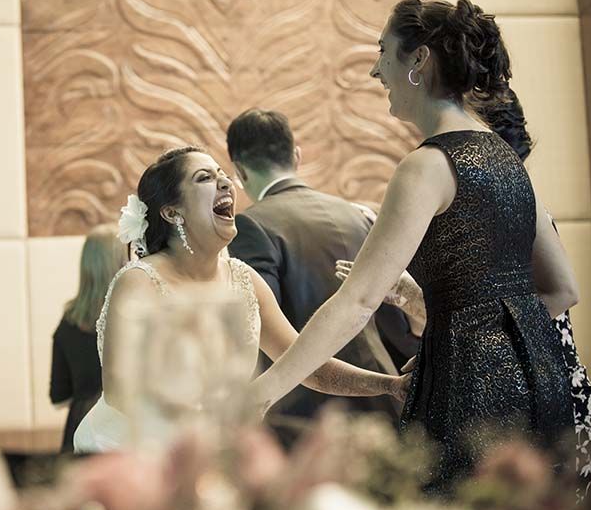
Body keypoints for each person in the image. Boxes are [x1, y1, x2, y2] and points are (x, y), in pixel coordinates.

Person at [250, 0, 579, 492]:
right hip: (541, 382)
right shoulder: (507, 159)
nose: (375, 70)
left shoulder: (426, 167)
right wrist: (494, 340)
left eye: (383, 51)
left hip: (468, 393)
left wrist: (265, 389)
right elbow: (563, 290)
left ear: (419, 59)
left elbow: (358, 302)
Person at [73, 146, 407, 453]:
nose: (225, 183)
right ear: (172, 212)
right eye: (204, 178)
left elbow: (308, 365)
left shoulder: (245, 279)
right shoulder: (139, 281)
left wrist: (389, 385)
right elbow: (120, 390)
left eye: (223, 174)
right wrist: (212, 424)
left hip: (212, 451)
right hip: (130, 452)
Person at [225, 108, 420, 443]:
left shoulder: (251, 225)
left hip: (304, 413)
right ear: (296, 156)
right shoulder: (360, 216)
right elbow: (398, 326)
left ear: (239, 171)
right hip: (383, 399)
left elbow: (254, 329)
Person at [479, 91, 591, 493]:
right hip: (527, 395)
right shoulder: (496, 206)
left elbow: (564, 293)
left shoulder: (516, 202)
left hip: (549, 397)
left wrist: (479, 338)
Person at [50, 223, 128, 453]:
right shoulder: (132, 318)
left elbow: (59, 396)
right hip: (119, 433)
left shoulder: (67, 323)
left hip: (78, 431)